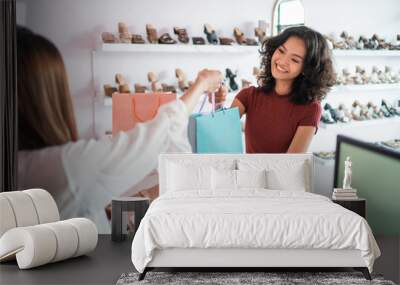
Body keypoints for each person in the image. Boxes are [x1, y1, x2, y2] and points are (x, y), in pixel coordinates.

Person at [16, 27, 223, 232]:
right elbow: (164, 129)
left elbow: (79, 210)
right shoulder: (66, 166)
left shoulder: (29, 168)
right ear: (48, 98)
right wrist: (201, 83)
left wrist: (144, 197)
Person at [213, 26, 336, 153]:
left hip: (282, 173)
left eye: (294, 59)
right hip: (248, 171)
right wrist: (218, 103)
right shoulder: (248, 96)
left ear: (307, 69)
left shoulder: (311, 109)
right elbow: (220, 132)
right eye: (281, 51)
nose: (282, 61)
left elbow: (290, 164)